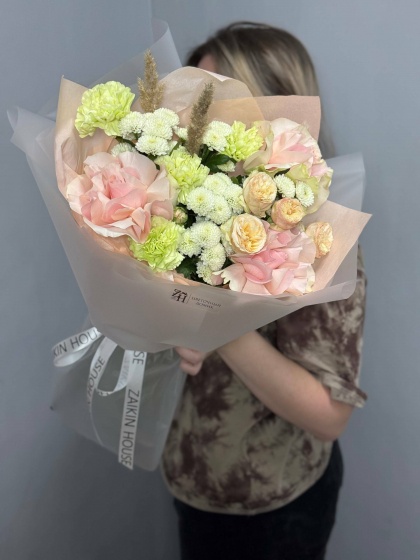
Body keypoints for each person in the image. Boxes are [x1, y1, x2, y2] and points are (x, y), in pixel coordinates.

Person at [160, 22, 367, 560]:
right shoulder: (184, 206)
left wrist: (214, 321)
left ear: (278, 111)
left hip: (275, 501)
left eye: (213, 100)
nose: (193, 118)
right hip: (191, 476)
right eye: (192, 99)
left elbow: (328, 414)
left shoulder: (320, 235)